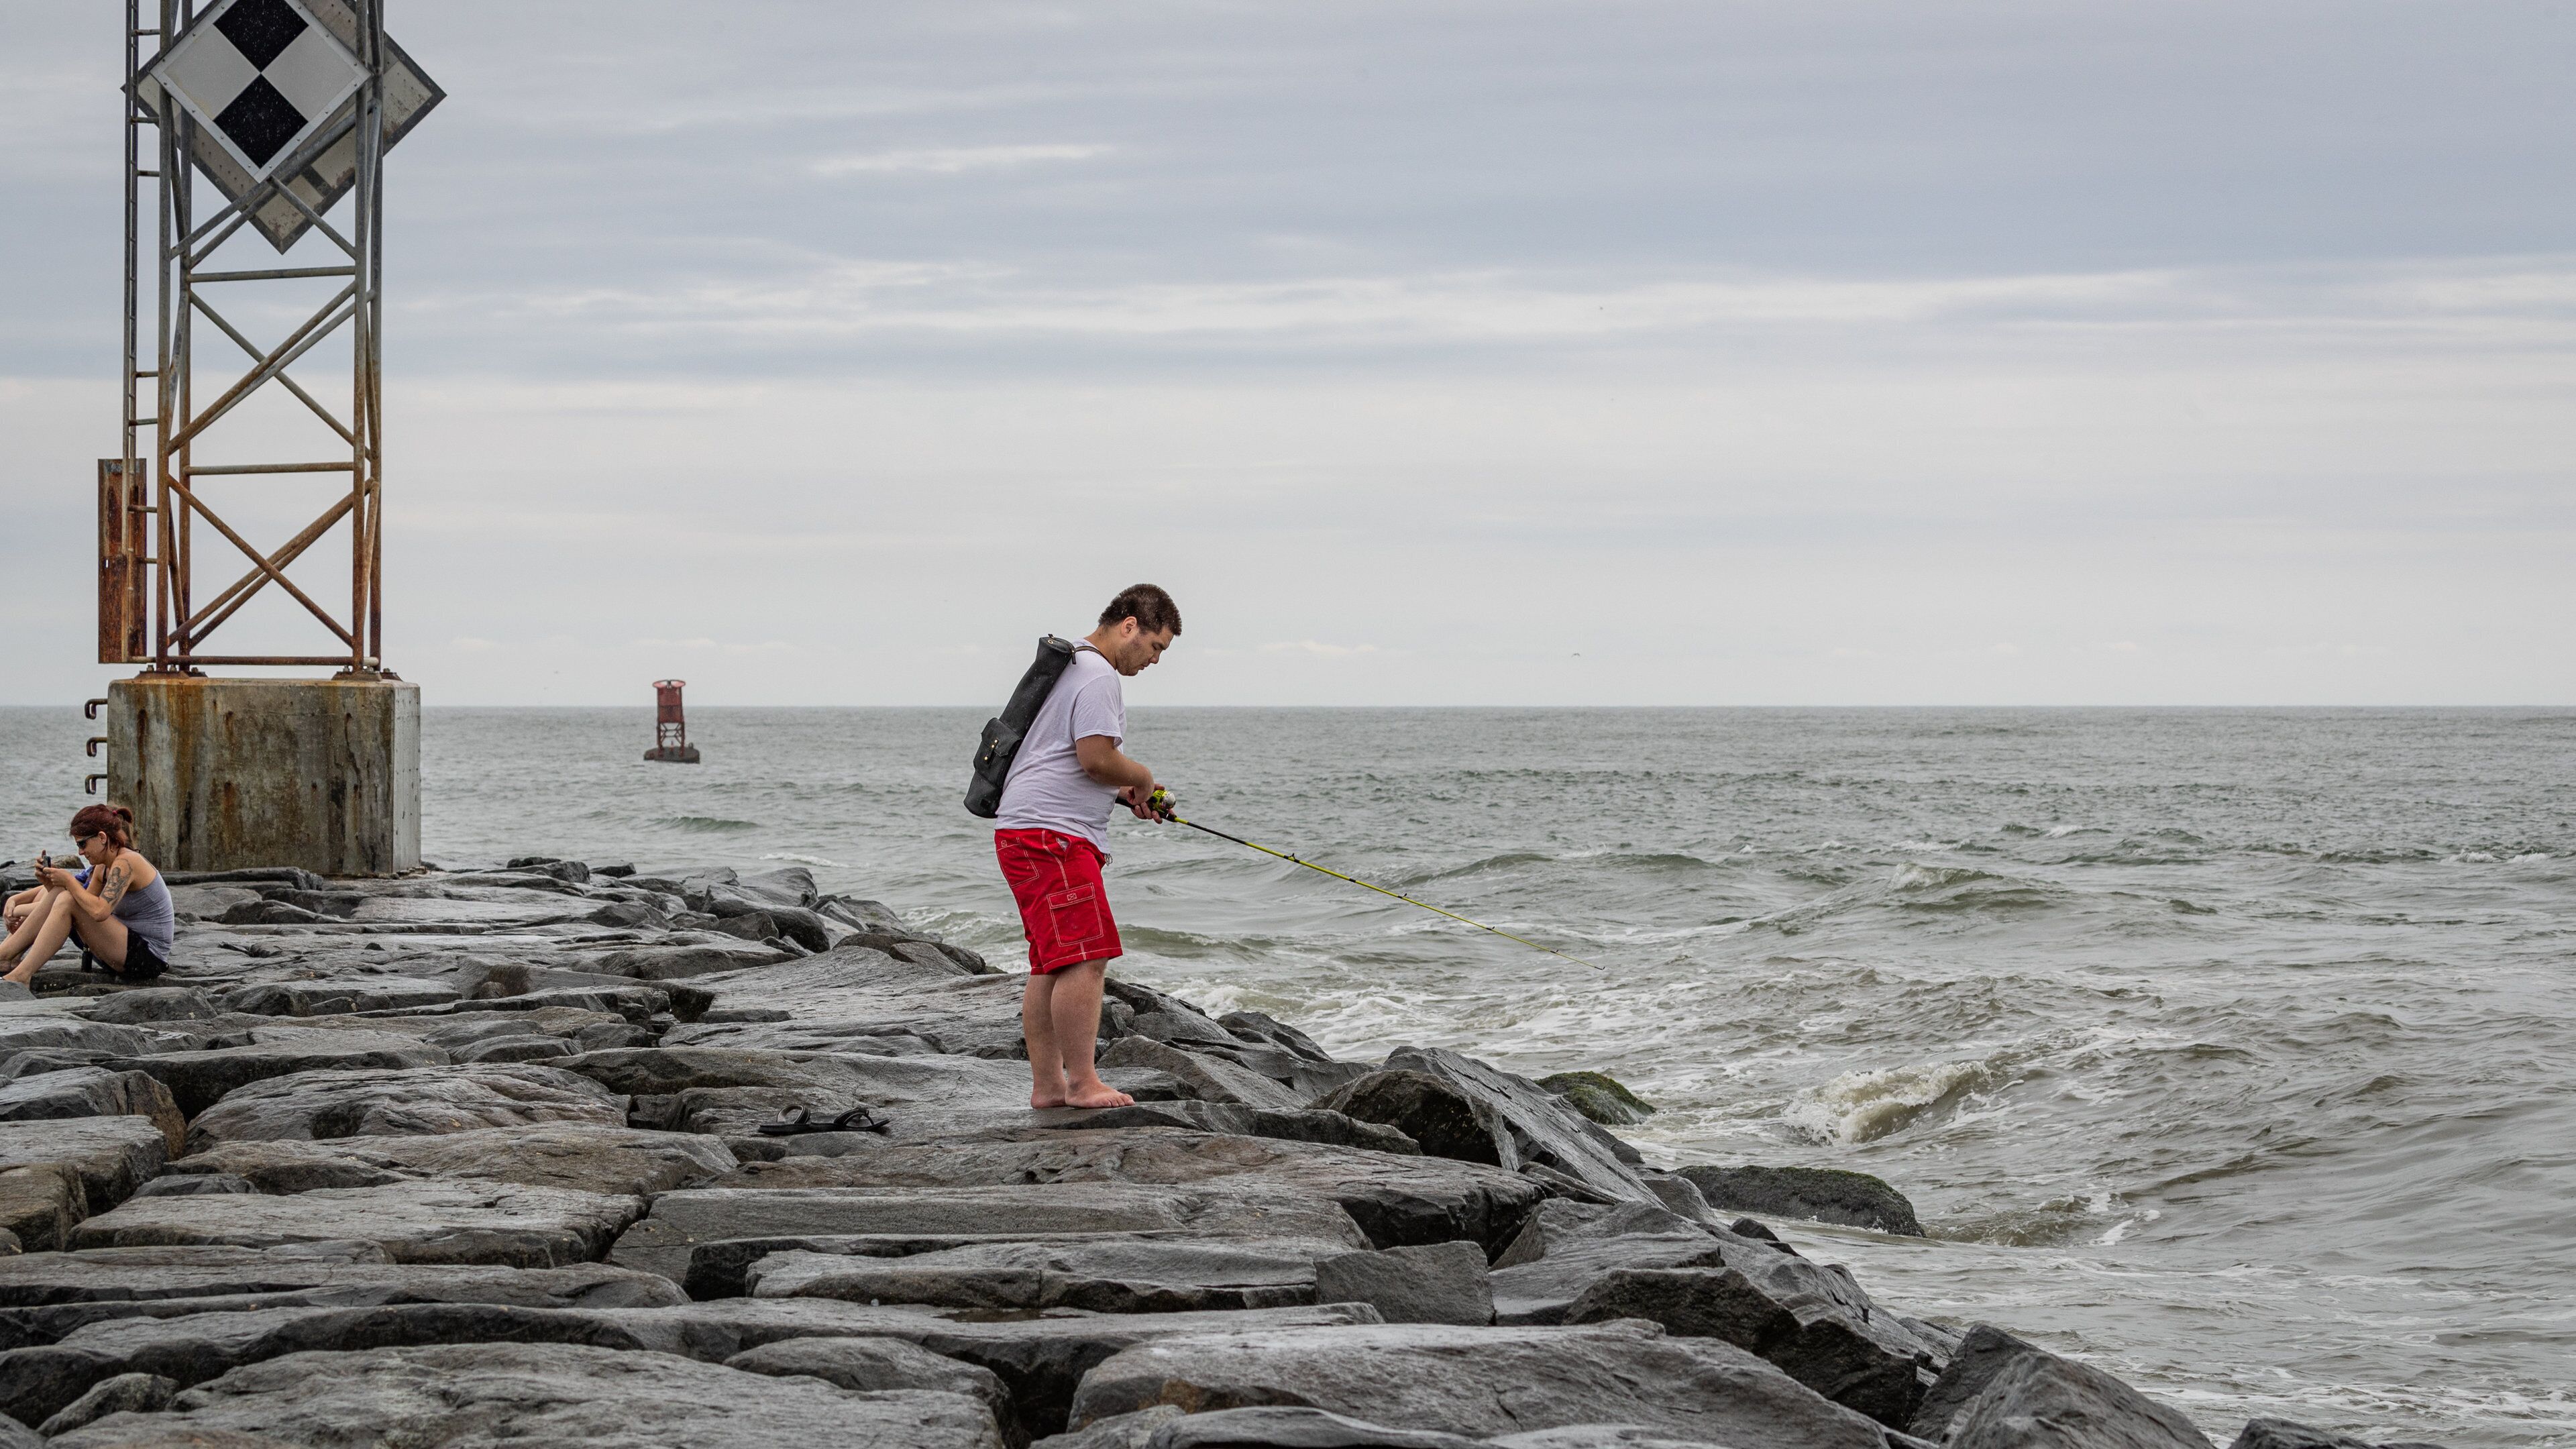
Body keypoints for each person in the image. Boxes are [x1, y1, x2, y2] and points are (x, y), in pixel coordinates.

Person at [995, 583, 1182, 1109]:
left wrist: (1123, 792)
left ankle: (1049, 1087)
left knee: (1050, 963)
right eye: (1155, 647)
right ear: (1129, 625)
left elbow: (1060, 756)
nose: (1154, 660)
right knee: (1086, 958)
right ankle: (1082, 1083)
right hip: (1052, 838)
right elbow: (1095, 758)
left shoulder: (1071, 664)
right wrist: (1141, 776)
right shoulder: (1099, 675)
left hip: (1024, 830)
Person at [1, 804, 174, 986]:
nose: (80, 852)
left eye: (82, 844)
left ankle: (20, 974)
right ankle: (7, 957)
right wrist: (49, 884)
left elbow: (99, 911)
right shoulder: (102, 866)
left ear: (102, 838)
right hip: (121, 949)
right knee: (64, 895)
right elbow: (83, 904)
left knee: (68, 897)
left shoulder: (127, 862)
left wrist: (68, 881)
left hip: (147, 957)